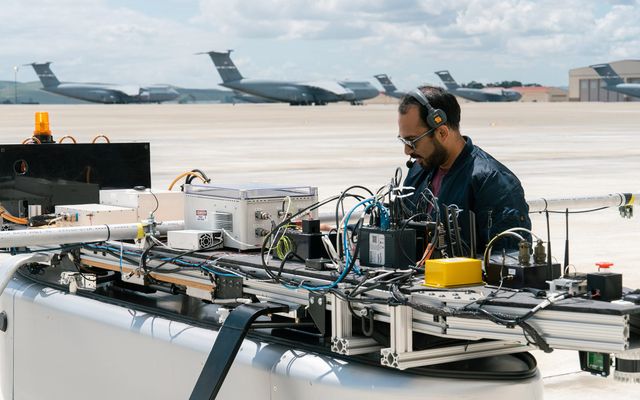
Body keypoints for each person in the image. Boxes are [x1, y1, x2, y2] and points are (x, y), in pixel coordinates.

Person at [397, 85, 530, 254]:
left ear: (442, 133)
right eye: (404, 141)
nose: (407, 151)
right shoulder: (418, 170)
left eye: (413, 141)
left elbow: (509, 262)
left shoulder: (492, 182)